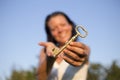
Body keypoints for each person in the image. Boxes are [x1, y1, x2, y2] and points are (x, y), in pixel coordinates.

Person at [37, 11, 90, 80]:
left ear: (71, 26)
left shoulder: (84, 48)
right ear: (50, 34)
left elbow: (85, 52)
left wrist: (83, 54)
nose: (60, 30)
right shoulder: (44, 51)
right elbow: (40, 78)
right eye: (54, 29)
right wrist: (50, 58)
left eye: (63, 25)